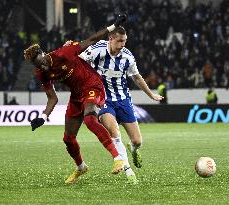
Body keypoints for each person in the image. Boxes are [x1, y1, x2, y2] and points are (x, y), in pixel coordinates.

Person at [23, 15, 127, 184]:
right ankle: (81, 167)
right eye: (37, 66)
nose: (42, 67)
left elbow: (91, 39)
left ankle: (118, 158)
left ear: (44, 54)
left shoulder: (64, 53)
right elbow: (52, 98)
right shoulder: (41, 72)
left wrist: (113, 26)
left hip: (92, 85)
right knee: (68, 138)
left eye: (41, 62)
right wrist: (43, 117)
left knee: (90, 120)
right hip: (77, 95)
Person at [78, 26, 164, 184]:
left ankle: (133, 149)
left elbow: (137, 78)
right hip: (103, 99)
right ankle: (128, 170)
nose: (123, 44)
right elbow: (78, 61)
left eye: (125, 41)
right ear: (110, 39)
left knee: (137, 141)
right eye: (119, 41)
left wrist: (151, 94)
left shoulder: (127, 57)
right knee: (114, 131)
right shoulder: (97, 50)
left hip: (124, 100)